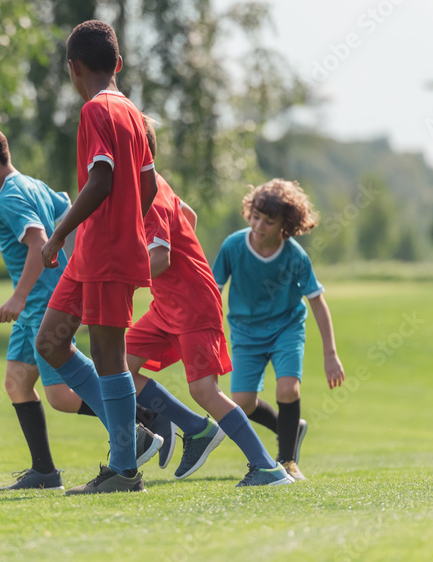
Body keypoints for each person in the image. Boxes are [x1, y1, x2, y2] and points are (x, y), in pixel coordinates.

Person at [126, 118, 294, 487]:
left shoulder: (149, 196)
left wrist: (124, 280)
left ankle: (268, 468)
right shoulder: (154, 184)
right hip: (167, 305)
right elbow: (189, 216)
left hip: (193, 303)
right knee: (121, 365)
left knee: (204, 390)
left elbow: (161, 258)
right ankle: (192, 427)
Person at [34, 20, 159, 495]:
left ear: (74, 68)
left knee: (109, 358)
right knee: (51, 343)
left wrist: (58, 233)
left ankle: (124, 470)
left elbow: (101, 179)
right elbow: (146, 185)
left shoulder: (95, 112)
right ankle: (132, 435)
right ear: (118, 65)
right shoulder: (132, 112)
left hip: (103, 254)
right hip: (94, 253)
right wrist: (124, 224)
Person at [0, 122, 90, 490]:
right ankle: (44, 472)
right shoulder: (32, 185)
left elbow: (38, 243)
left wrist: (19, 296)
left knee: (61, 397)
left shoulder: (11, 197)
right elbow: (71, 215)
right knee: (16, 383)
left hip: (43, 308)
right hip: (36, 308)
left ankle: (141, 421)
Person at [212, 178, 346, 480]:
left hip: (286, 328)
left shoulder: (295, 256)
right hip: (246, 333)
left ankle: (287, 462)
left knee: (288, 389)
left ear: (286, 225)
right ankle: (291, 427)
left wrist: (331, 354)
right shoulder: (233, 246)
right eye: (255, 216)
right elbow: (213, 290)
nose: (259, 226)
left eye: (269, 222)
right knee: (242, 403)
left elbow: (317, 303)